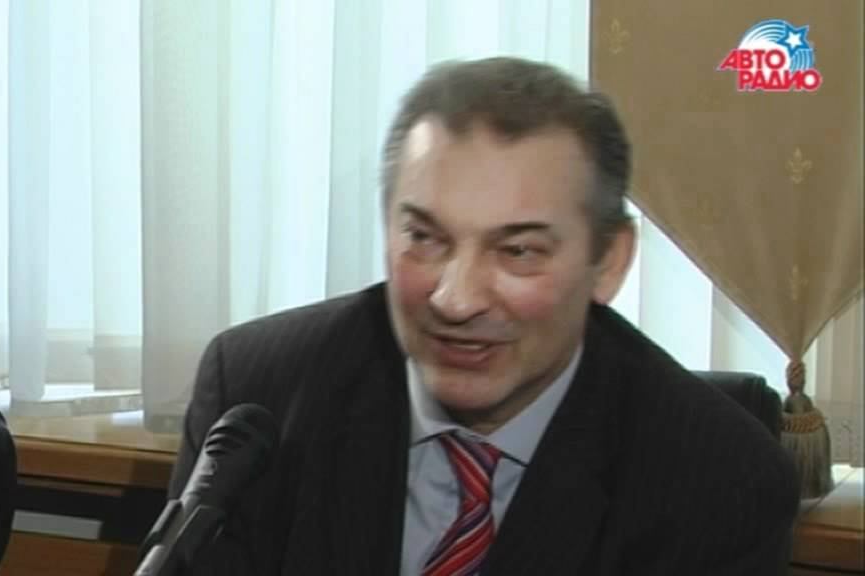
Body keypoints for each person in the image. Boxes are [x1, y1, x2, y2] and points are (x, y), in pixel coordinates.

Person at [168, 57, 800, 576]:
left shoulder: (718, 481)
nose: (455, 299)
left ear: (608, 261)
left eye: (517, 251)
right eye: (426, 238)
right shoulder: (260, 392)